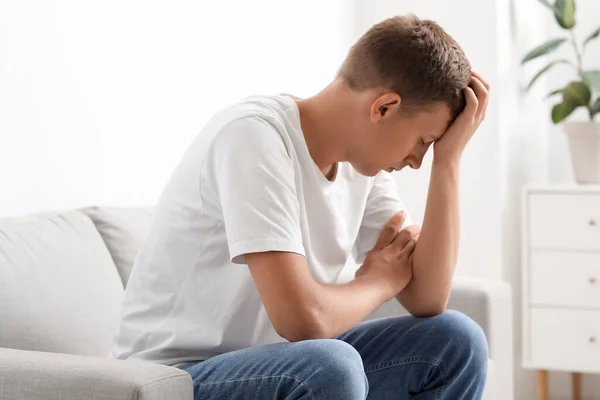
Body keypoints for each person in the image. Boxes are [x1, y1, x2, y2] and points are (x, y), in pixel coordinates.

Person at [111, 13, 490, 399]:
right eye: (425, 141)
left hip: (281, 367)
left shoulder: (364, 169)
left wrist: (449, 161)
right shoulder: (254, 137)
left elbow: (428, 297)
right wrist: (379, 280)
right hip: (175, 378)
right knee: (329, 367)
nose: (417, 160)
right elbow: (303, 321)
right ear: (384, 108)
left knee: (456, 342)